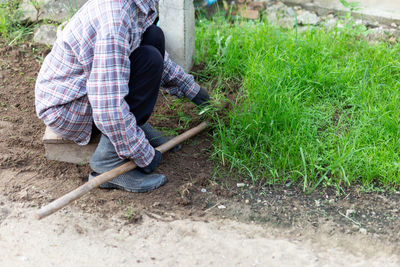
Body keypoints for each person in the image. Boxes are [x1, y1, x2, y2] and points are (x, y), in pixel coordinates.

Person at [35, 0, 210, 193]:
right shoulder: (115, 19)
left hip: (86, 91)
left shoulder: (135, 5)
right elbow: (107, 107)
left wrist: (193, 91)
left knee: (153, 36)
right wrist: (142, 152)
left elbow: (138, 45)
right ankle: (108, 160)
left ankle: (133, 126)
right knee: (149, 60)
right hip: (68, 108)